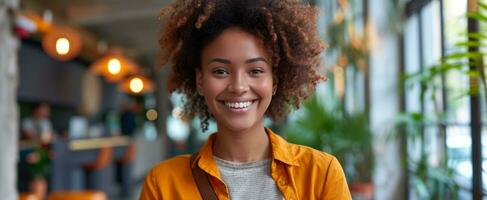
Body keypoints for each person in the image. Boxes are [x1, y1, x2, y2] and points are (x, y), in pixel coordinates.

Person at [141, 0, 352, 199]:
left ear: (274, 81)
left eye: (256, 70)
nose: (238, 87)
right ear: (200, 80)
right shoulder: (164, 184)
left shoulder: (320, 175)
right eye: (220, 71)